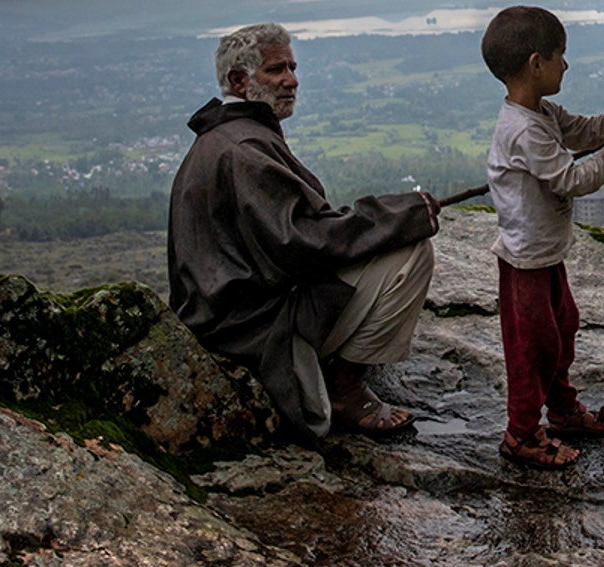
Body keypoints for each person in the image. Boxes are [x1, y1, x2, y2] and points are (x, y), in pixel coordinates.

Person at [168, 22, 439, 446]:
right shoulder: (243, 150)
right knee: (411, 254)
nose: (292, 80)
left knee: (388, 245)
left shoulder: (230, 137)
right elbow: (301, 243)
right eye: (276, 70)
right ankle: (345, 387)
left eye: (292, 67)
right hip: (252, 328)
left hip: (230, 316)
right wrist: (400, 216)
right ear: (239, 80)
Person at [482, 6, 604, 468]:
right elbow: (568, 180)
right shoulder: (522, 130)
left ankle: (560, 411)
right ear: (536, 63)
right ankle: (520, 435)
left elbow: (583, 131)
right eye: (561, 56)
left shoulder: (542, 112)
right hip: (524, 263)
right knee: (533, 347)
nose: (566, 65)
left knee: (562, 329)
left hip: (546, 255)